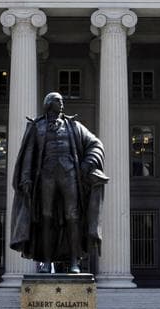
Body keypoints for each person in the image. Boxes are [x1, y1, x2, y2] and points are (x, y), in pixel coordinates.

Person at [10, 91, 106, 273]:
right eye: (58, 101)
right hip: (46, 175)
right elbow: (28, 154)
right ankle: (46, 262)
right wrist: (25, 178)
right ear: (48, 104)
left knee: (73, 216)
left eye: (62, 101)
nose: (62, 104)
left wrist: (86, 165)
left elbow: (96, 144)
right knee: (46, 217)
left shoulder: (74, 126)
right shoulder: (37, 127)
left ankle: (74, 262)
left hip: (70, 174)